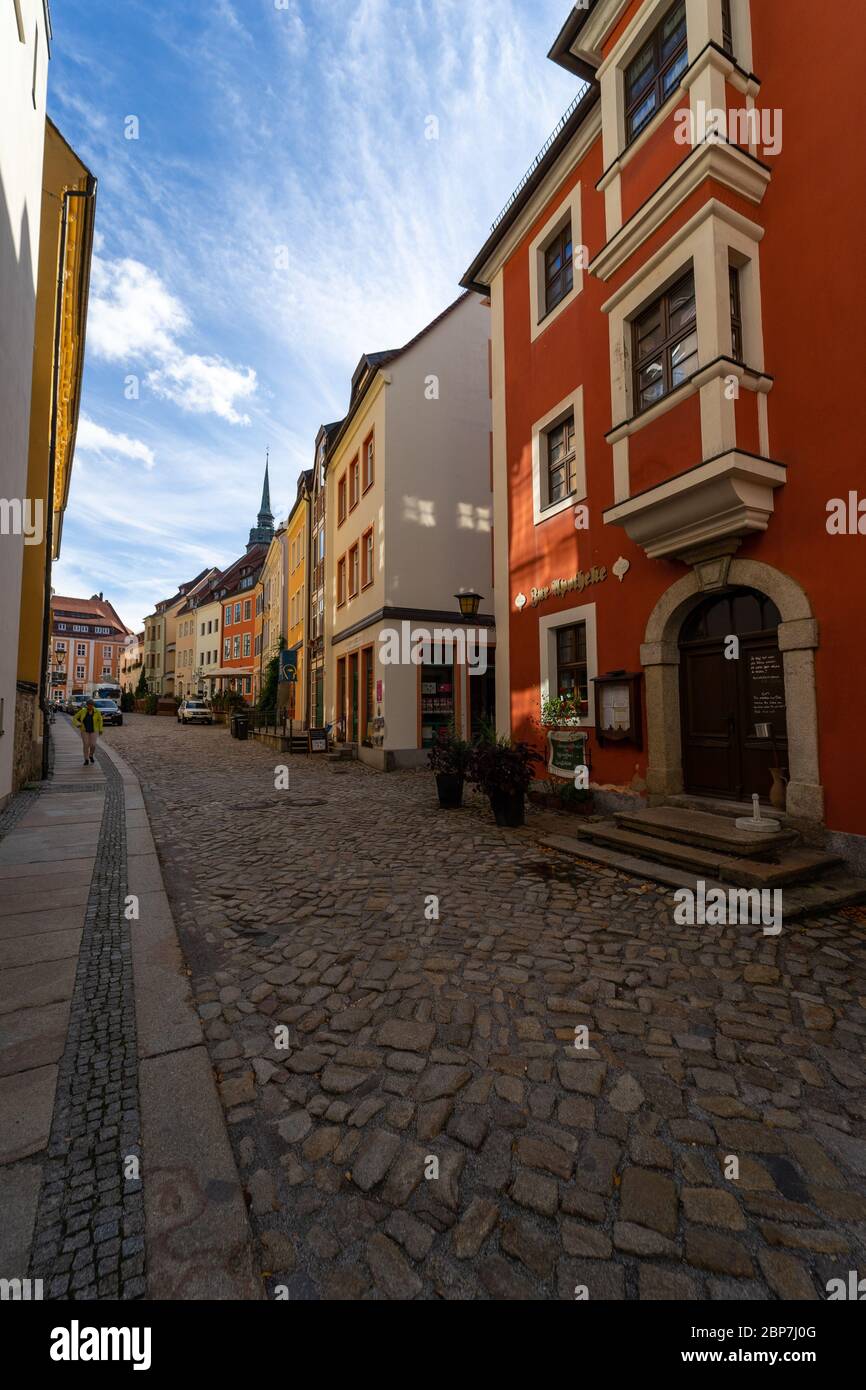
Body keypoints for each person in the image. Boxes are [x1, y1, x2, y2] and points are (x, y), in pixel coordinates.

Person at [73, 699, 103, 765]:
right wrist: (78, 724)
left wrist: (100, 729)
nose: (90, 706)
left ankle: (91, 755)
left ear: (93, 705)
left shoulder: (97, 712)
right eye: (89, 705)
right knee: (86, 745)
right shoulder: (83, 711)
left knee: (93, 745)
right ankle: (86, 759)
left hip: (94, 730)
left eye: (91, 705)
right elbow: (74, 718)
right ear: (87, 705)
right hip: (84, 730)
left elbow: (100, 721)